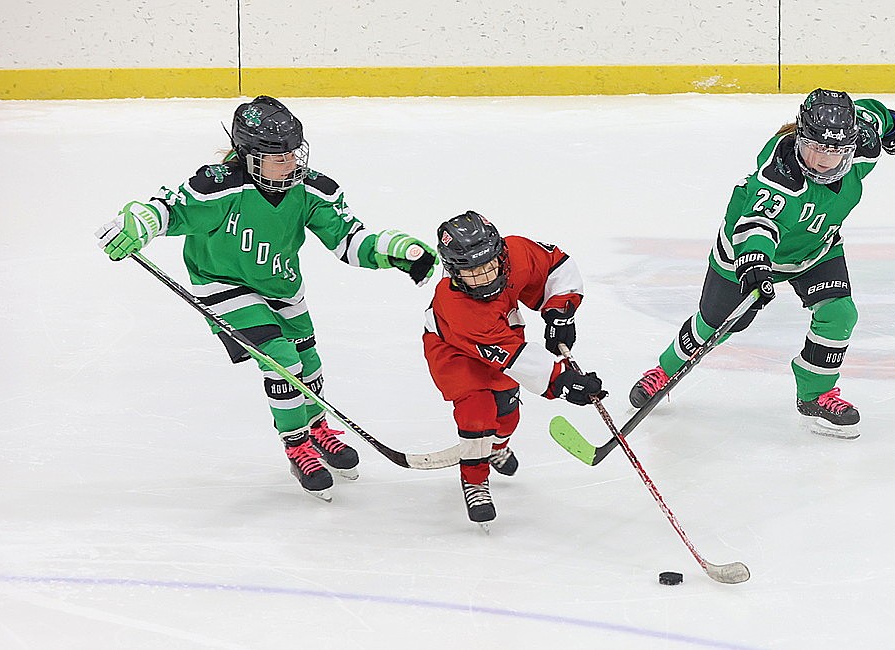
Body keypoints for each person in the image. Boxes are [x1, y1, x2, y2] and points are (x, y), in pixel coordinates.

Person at [96, 95, 438, 500]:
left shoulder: (313, 190)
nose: (291, 163)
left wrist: (393, 248)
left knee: (309, 365)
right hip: (222, 284)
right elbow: (168, 209)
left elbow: (348, 240)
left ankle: (316, 427)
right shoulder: (219, 186)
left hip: (283, 286)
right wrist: (137, 222)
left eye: (295, 153)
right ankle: (296, 447)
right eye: (279, 157)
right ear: (249, 156)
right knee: (283, 362)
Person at [628, 88, 895, 439]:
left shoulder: (863, 144)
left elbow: (872, 112)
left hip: (816, 249)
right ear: (799, 136)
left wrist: (894, 124)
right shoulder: (780, 177)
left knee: (840, 313)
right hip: (748, 252)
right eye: (815, 147)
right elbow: (758, 224)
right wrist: (755, 266)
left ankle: (816, 394)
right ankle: (664, 372)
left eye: (834, 150)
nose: (823, 160)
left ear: (851, 145)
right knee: (716, 324)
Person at [422, 211, 606, 524]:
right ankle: (475, 479)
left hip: (500, 336)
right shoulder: (458, 306)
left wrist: (561, 312)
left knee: (507, 417)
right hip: (455, 350)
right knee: (477, 414)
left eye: (491, 266)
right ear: (454, 270)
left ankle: (495, 446)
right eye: (473, 272)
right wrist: (563, 381)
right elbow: (515, 358)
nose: (487, 278)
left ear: (499, 253)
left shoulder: (515, 252)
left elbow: (555, 266)